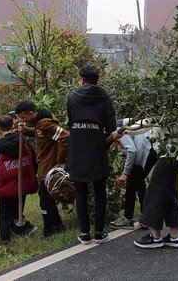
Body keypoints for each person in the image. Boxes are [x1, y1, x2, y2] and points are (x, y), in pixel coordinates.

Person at [66, 65, 118, 244]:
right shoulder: (104, 97)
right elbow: (111, 127)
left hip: (77, 148)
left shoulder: (72, 98)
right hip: (97, 148)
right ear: (98, 79)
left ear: (82, 79)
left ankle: (85, 233)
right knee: (99, 190)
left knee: (80, 191)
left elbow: (70, 122)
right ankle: (100, 232)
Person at [15, 100, 69, 237]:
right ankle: (57, 226)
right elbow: (41, 135)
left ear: (31, 113)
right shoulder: (39, 125)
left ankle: (49, 230)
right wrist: (26, 130)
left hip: (48, 167)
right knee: (47, 199)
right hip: (44, 165)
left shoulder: (45, 124)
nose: (21, 120)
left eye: (23, 117)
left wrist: (60, 161)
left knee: (44, 200)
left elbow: (65, 136)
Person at [0, 115, 38, 247]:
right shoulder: (23, 141)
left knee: (3, 214)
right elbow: (34, 159)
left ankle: (5, 241)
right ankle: (20, 231)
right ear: (12, 125)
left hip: (6, 188)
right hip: (23, 184)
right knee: (17, 210)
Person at [133, 141, 178, 249]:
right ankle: (174, 237)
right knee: (171, 194)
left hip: (167, 155)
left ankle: (155, 236)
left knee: (155, 193)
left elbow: (146, 123)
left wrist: (122, 128)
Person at [110, 119, 158, 229]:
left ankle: (128, 218)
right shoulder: (119, 124)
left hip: (148, 148)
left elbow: (132, 150)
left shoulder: (118, 128)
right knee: (138, 181)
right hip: (151, 147)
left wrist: (125, 173)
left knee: (131, 182)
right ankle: (146, 216)